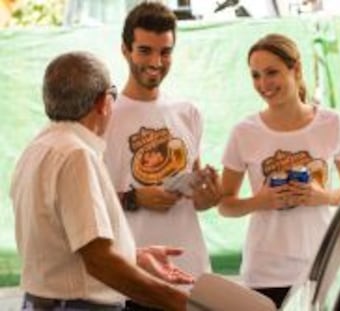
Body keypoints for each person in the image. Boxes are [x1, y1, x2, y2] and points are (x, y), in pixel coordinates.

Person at [9, 51, 195, 311]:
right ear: (103, 102)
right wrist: (184, 304)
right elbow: (99, 262)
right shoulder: (76, 155)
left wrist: (134, 256)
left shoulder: (38, 148)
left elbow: (65, 247)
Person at [219, 33, 340, 308]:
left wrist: (324, 197)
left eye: (272, 72)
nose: (263, 84)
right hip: (265, 272)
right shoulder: (244, 132)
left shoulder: (332, 123)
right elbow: (225, 204)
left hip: (320, 265)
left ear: (296, 69)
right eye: (256, 75)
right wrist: (260, 201)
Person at [103, 2, 222, 310]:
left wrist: (207, 196)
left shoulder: (188, 113)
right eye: (145, 50)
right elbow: (82, 201)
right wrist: (135, 198)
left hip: (191, 275)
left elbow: (197, 198)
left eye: (165, 52)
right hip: (132, 280)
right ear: (125, 50)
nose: (156, 62)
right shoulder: (103, 115)